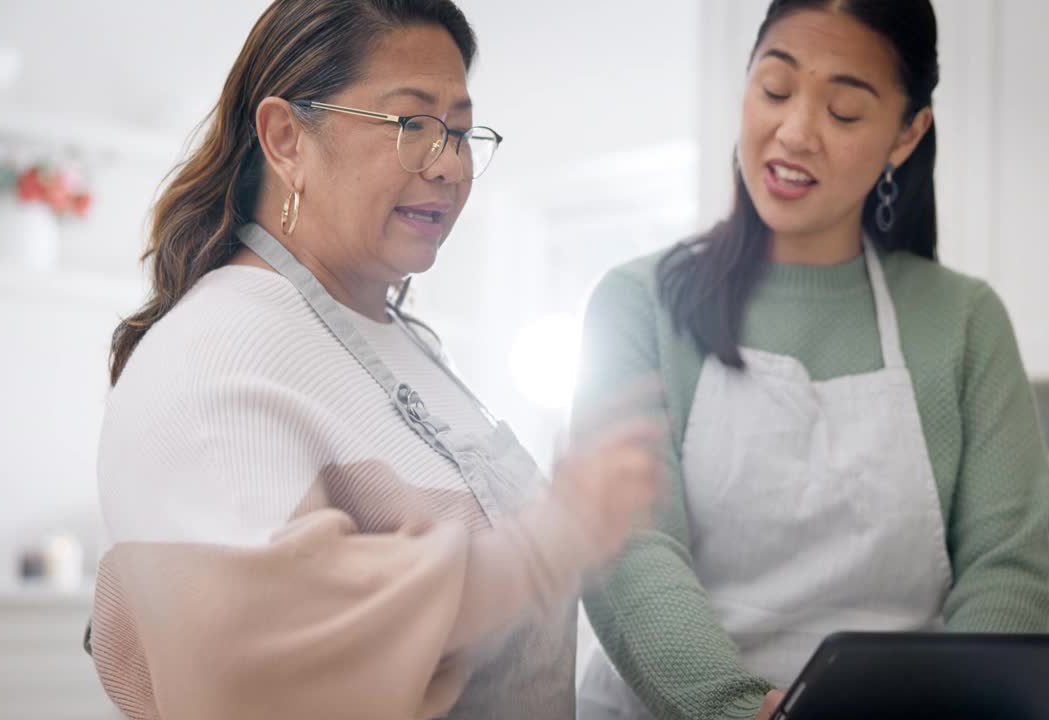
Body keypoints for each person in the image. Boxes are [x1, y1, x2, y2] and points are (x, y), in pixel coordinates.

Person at [87, 1, 660, 718]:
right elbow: (267, 652)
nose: (451, 164)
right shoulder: (213, 353)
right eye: (412, 125)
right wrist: (550, 543)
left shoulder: (402, 339)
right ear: (287, 137)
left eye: (459, 131)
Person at [573, 1, 1049, 718]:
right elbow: (629, 546)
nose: (795, 132)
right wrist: (736, 708)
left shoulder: (963, 322)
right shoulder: (637, 303)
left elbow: (1009, 568)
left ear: (906, 134)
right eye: (774, 90)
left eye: (844, 111)